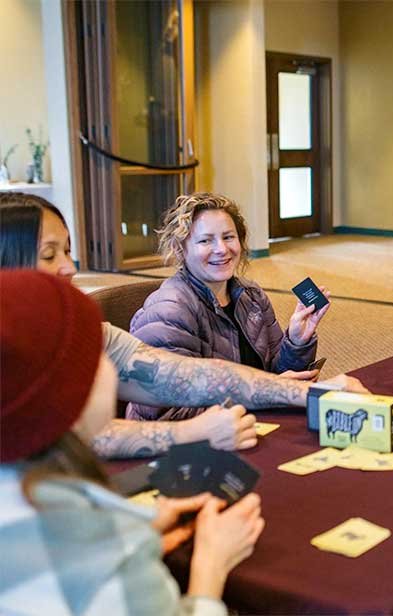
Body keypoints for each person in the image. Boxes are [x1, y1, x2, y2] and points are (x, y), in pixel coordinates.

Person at [0, 193, 367, 459]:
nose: (69, 267)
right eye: (50, 255)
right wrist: (193, 431)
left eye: (67, 250)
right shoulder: (169, 306)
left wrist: (311, 388)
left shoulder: (81, 330)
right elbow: (81, 439)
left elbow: (189, 376)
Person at [0, 269, 265, 614]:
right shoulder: (107, 550)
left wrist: (141, 527)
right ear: (69, 397)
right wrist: (211, 564)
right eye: (96, 356)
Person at [128, 192, 328, 421]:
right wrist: (266, 395)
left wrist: (296, 342)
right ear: (181, 249)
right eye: (205, 240)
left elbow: (276, 375)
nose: (222, 249)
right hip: (185, 447)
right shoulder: (169, 311)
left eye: (228, 237)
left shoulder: (250, 295)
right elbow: (167, 414)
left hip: (246, 424)